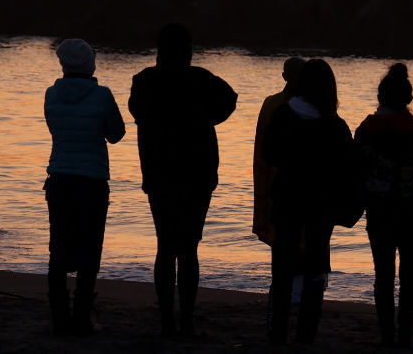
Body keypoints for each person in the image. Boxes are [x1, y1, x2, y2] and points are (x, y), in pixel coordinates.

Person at [128, 22, 237, 336]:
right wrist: (208, 119)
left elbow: (137, 113)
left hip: (159, 174)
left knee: (166, 245)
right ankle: (186, 320)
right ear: (188, 50)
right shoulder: (201, 80)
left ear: (159, 50)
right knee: (189, 248)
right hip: (198, 176)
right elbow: (229, 100)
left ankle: (166, 320)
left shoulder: (145, 81)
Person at [263, 58, 355, 345]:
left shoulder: (282, 115)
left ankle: (277, 335)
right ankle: (306, 337)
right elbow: (347, 170)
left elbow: (269, 155)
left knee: (282, 272)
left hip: (286, 201)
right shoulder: (336, 125)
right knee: (315, 271)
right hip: (320, 206)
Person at [43, 38, 126, 336]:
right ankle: (81, 318)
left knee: (58, 248)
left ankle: (59, 319)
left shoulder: (51, 94)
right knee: (91, 249)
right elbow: (116, 134)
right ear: (90, 63)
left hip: (59, 178)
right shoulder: (102, 95)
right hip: (92, 180)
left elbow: (55, 128)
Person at [354, 62, 413, 348]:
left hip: (379, 211)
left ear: (380, 97)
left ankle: (387, 334)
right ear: (409, 99)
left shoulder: (365, 130)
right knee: (410, 276)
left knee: (383, 275)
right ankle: (405, 335)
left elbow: (357, 171)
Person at [252, 56, 306, 246]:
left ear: (284, 76)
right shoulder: (319, 105)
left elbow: (261, 152)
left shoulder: (271, 104)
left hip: (277, 185)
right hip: (302, 187)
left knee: (282, 247)